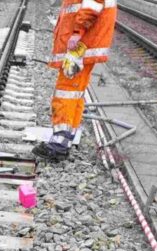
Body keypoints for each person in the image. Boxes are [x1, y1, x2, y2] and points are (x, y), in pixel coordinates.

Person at [35, 0, 117, 160]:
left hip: (80, 44)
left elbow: (92, 4)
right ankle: (65, 141)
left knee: (66, 92)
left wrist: (77, 32)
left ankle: (58, 145)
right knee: (75, 94)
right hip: (83, 43)